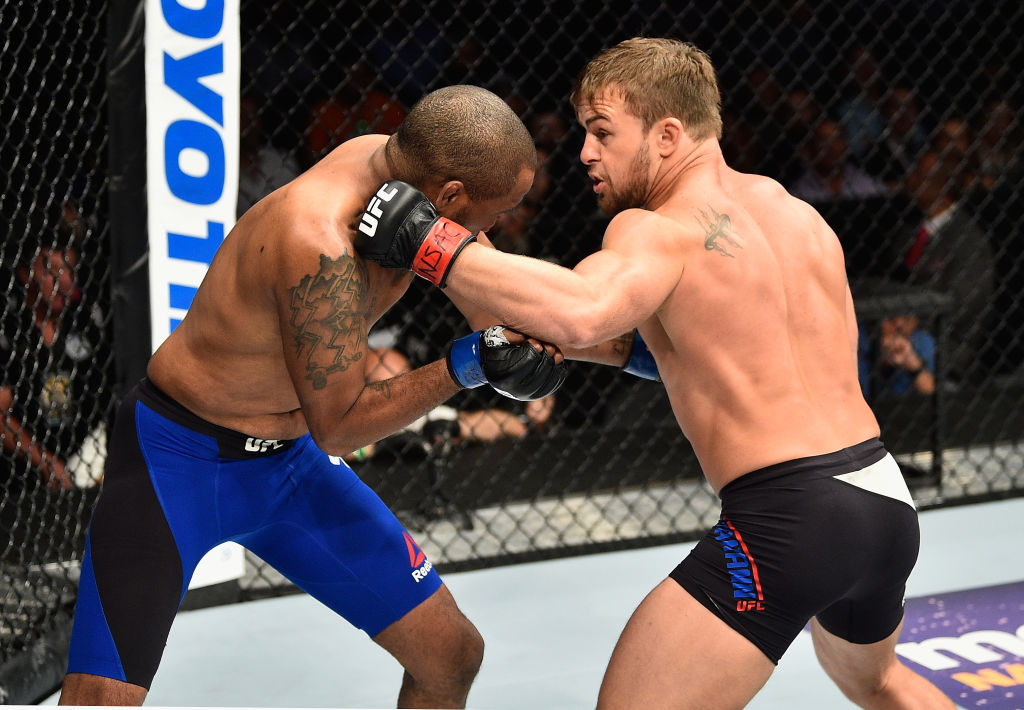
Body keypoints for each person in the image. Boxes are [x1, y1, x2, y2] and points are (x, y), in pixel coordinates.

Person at [355, 38, 955, 709]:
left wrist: (429, 243)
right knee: (879, 685)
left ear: (668, 135)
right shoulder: (795, 214)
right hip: (881, 498)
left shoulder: (658, 229)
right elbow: (671, 347)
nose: (585, 153)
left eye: (602, 132)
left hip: (792, 519)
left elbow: (580, 315)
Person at [57, 85, 583, 708]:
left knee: (451, 654)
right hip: (177, 463)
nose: (493, 230)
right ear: (450, 197)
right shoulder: (320, 242)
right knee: (99, 702)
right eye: (494, 213)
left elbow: (489, 290)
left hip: (288, 467)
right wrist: (466, 366)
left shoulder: (393, 169)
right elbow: (341, 427)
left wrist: (595, 338)